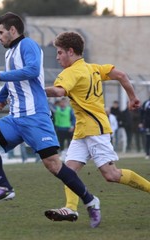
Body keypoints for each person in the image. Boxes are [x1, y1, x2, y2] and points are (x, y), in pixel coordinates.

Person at [0, 13, 100, 228]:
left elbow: (32, 71)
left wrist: (1, 75)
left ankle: (90, 200)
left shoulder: (28, 45)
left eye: (1, 32)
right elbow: (17, 76)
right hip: (16, 117)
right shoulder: (10, 52)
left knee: (53, 165)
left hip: (35, 116)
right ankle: (4, 188)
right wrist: (3, 94)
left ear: (13, 30)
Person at [44, 31, 150, 225]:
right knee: (68, 172)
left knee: (111, 175)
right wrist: (133, 97)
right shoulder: (93, 68)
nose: (57, 57)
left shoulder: (71, 72)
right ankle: (70, 208)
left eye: (59, 53)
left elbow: (59, 91)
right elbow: (121, 75)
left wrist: (37, 92)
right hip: (83, 131)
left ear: (70, 51)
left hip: (96, 130)